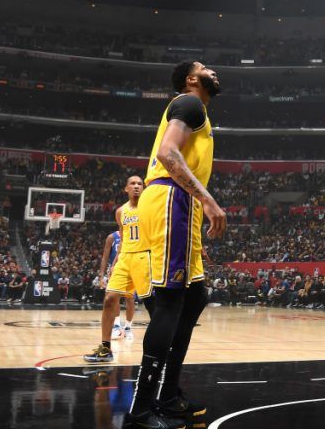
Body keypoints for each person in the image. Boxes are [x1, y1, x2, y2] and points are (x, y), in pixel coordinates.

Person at [127, 61, 227, 429]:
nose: (212, 71)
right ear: (190, 79)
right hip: (174, 199)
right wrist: (208, 199)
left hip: (181, 203)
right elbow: (169, 154)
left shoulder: (197, 111)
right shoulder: (189, 103)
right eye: (204, 68)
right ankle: (140, 410)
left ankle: (168, 396)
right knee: (170, 302)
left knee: (195, 296)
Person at [85, 176, 144, 364]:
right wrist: (116, 261)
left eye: (139, 184)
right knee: (110, 299)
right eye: (132, 184)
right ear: (126, 188)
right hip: (125, 259)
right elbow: (124, 237)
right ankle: (105, 348)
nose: (136, 186)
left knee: (154, 305)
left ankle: (134, 331)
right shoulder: (120, 212)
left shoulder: (150, 207)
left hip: (145, 258)